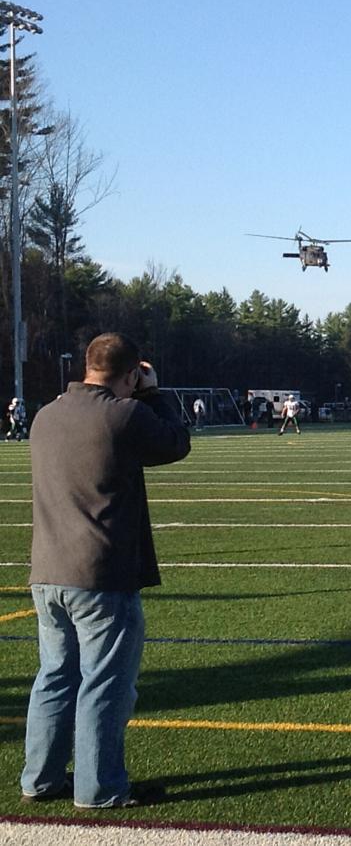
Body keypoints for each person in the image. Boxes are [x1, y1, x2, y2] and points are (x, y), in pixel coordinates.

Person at [20, 333, 190, 809]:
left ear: (87, 364)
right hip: (100, 573)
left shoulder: (46, 416)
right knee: (105, 683)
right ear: (131, 373)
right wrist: (153, 393)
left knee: (54, 677)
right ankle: (99, 787)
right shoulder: (124, 413)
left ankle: (40, 778)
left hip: (47, 570)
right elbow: (175, 443)